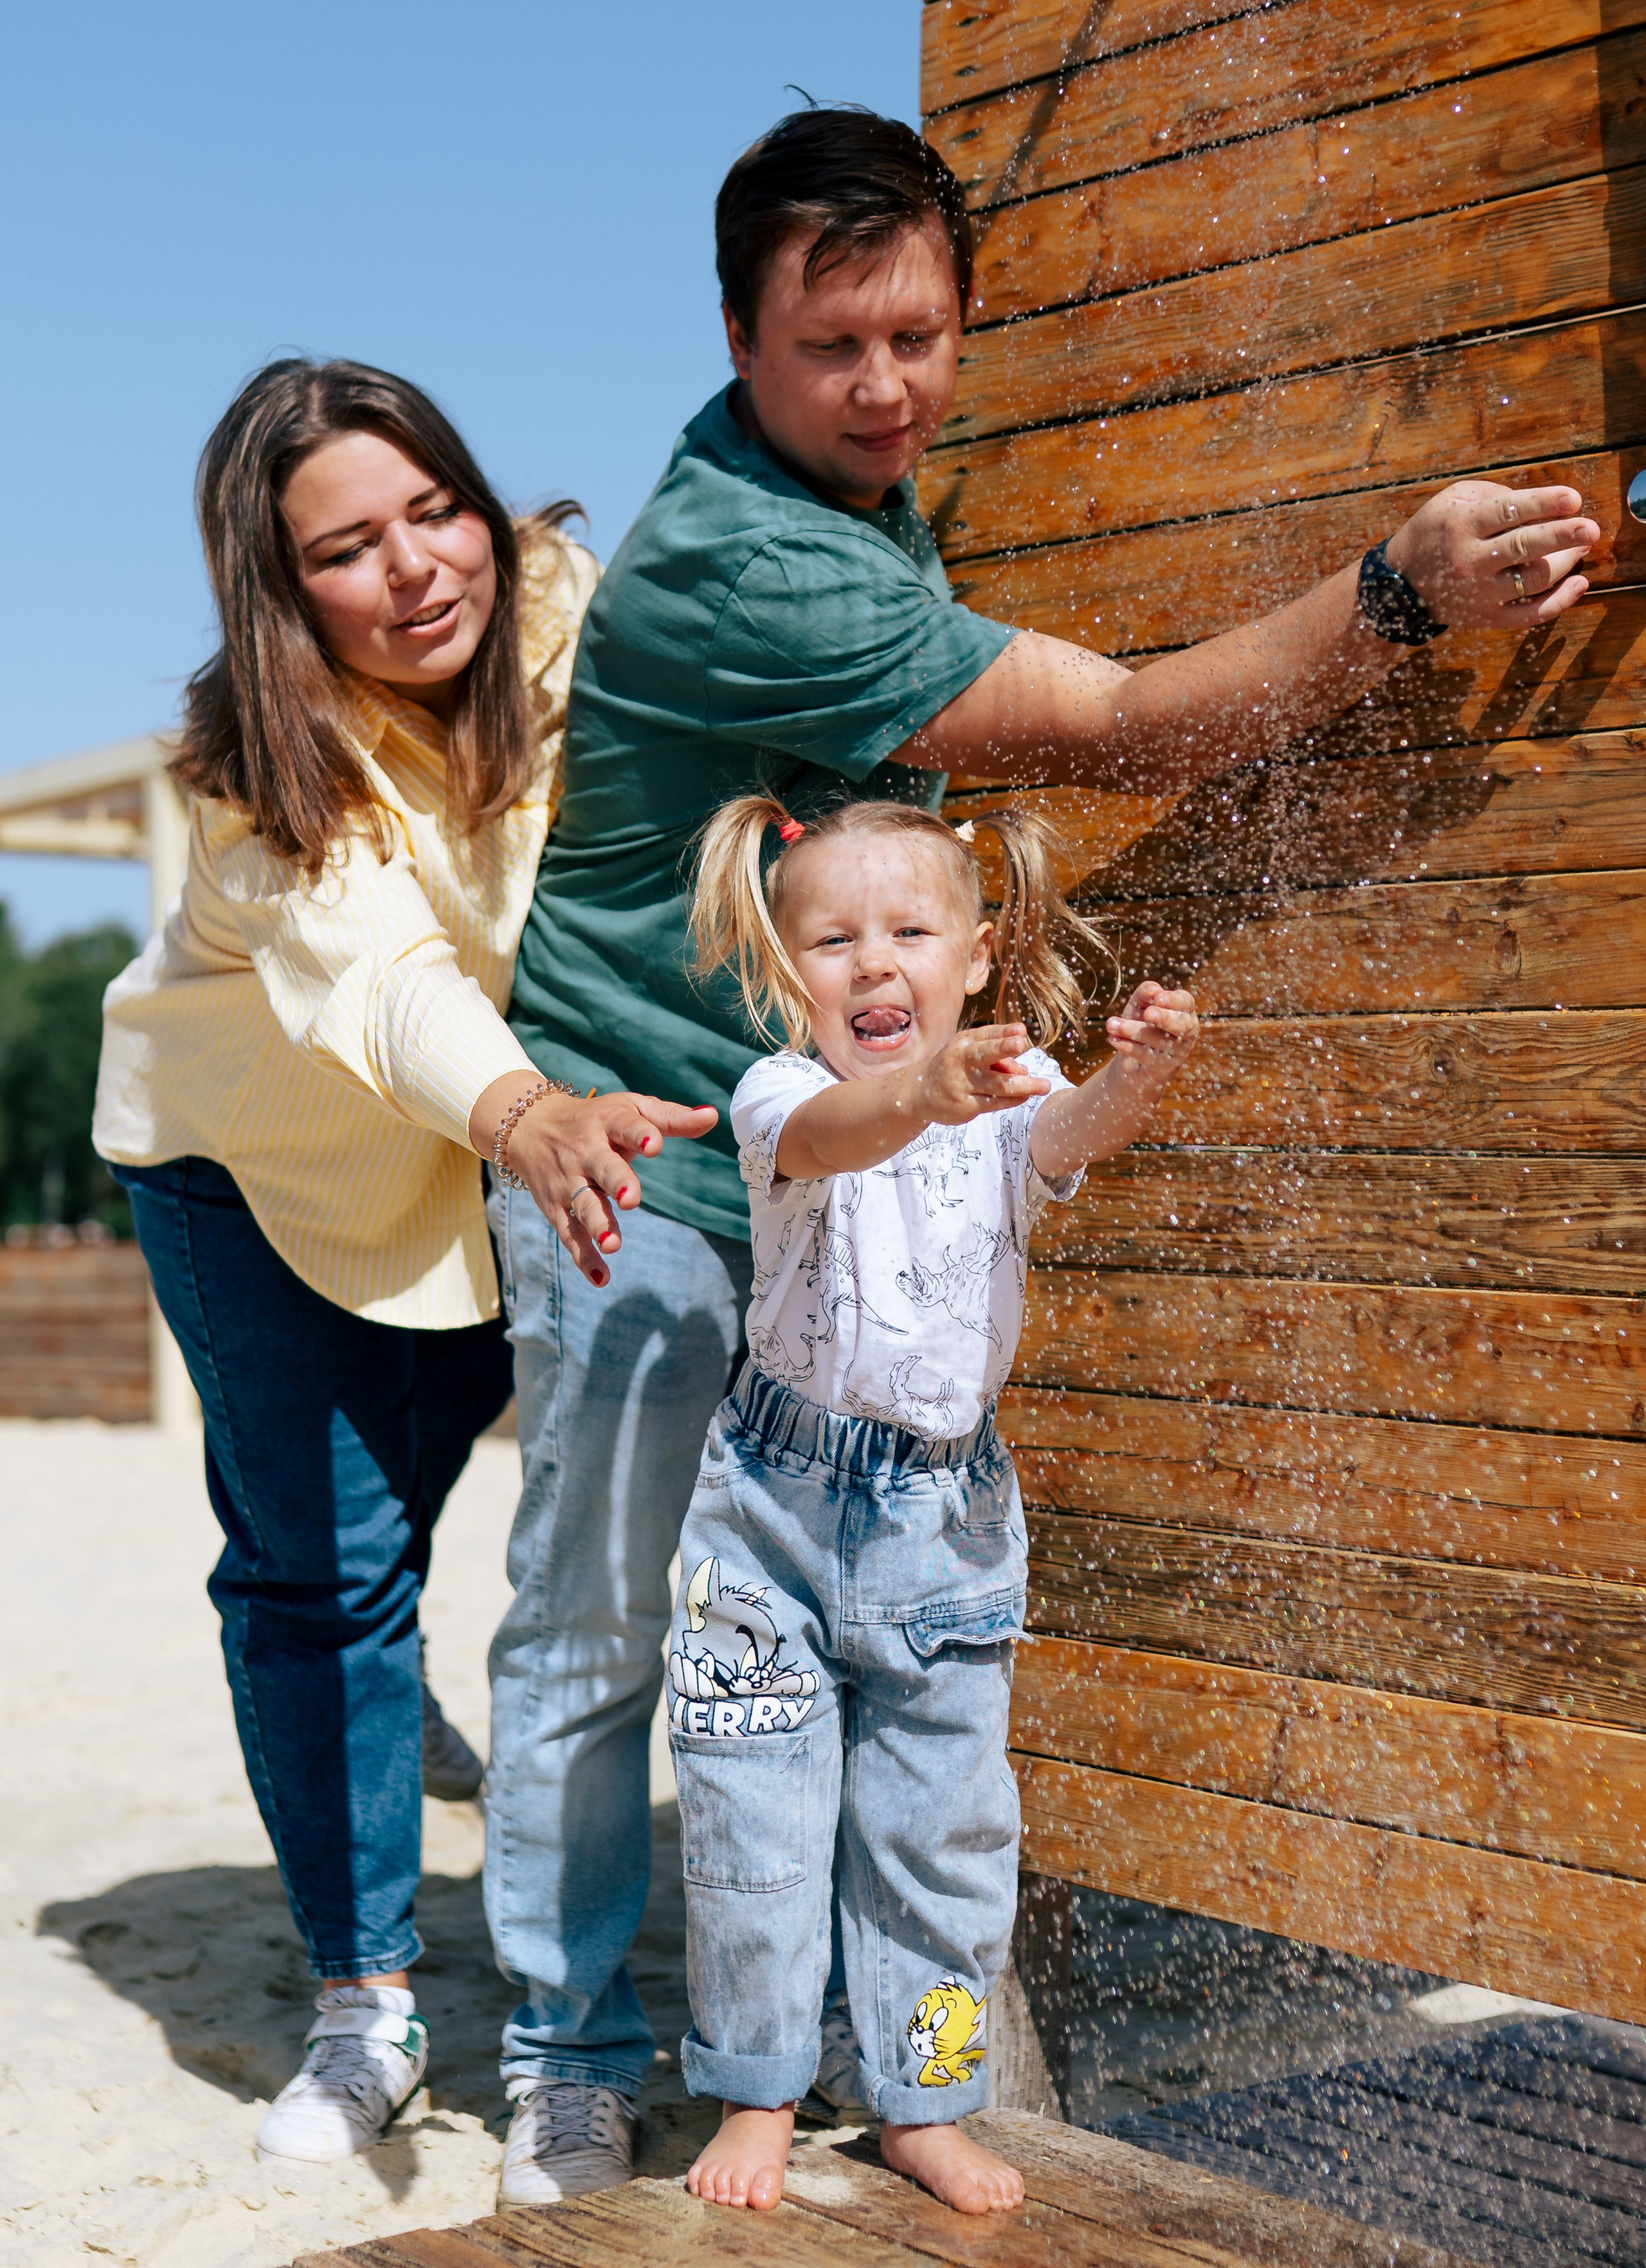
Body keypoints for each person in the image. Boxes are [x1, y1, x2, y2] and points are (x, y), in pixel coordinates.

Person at [483, 106, 1598, 2206]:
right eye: (834, 347)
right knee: (606, 1627)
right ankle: (561, 2057)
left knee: (818, 1641)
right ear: (740, 338)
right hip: (654, 1160)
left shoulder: (857, 493)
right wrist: (1396, 591)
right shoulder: (758, 557)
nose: (886, 385)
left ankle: (848, 2055)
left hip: (844, 1174)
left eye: (919, 334)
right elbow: (1120, 730)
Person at [93, 358, 714, 2166]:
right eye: (350, 550)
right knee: (325, 1571)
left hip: (499, 1156)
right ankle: (364, 2005)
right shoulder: (246, 773)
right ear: (283, 592)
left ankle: (396, 1716)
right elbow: (380, 980)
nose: (420, 569)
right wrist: (520, 1112)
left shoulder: (565, 615)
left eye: (434, 508)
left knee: (438, 1521)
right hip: (266, 1171)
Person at [672, 791, 1196, 2213]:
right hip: (769, 1522)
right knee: (754, 1832)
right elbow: (848, 1132)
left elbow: (1078, 1133)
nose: (872, 964)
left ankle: (924, 2103)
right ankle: (759, 2092)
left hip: (942, 1525)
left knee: (937, 1842)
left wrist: (1137, 1072)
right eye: (831, 941)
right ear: (788, 976)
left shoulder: (1011, 1107)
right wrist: (925, 1090)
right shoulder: (781, 1097)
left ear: (976, 957)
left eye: (910, 931)